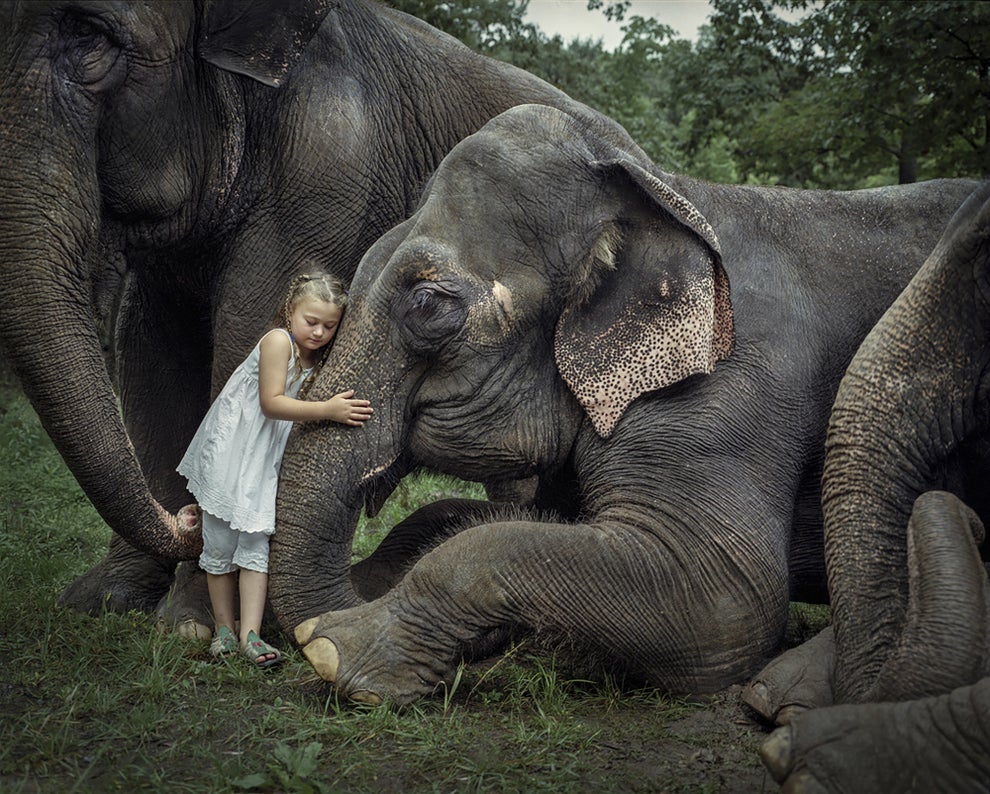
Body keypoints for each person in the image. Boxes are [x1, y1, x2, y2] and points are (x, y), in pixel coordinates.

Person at [177, 271, 372, 667]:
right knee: (219, 544)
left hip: (263, 459)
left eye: (329, 326)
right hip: (234, 454)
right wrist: (328, 410)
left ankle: (252, 635)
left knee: (254, 545)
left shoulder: (313, 355)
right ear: (290, 312)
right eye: (311, 321)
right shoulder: (278, 341)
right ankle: (224, 631)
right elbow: (271, 403)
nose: (318, 332)